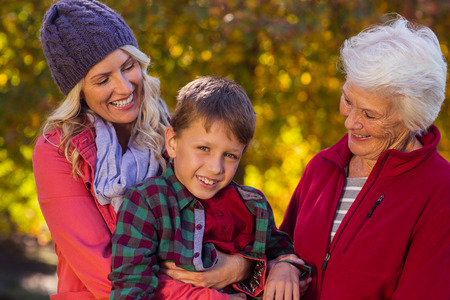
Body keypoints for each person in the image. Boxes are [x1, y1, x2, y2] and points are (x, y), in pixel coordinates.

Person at [276, 14, 450, 300]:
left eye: (369, 114)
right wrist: (281, 264)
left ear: (412, 118)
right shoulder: (323, 167)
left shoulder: (441, 193)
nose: (350, 122)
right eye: (348, 101)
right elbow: (282, 248)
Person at [109, 76, 308, 299]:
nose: (215, 168)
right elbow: (131, 288)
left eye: (230, 155)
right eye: (204, 148)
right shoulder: (148, 203)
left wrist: (286, 266)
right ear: (173, 142)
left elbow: (285, 255)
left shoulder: (254, 206)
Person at [33, 0, 170, 298]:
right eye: (103, 79)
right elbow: (108, 274)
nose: (124, 87)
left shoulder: (169, 132)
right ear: (78, 91)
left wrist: (240, 266)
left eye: (128, 66)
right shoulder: (58, 151)